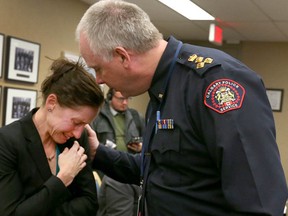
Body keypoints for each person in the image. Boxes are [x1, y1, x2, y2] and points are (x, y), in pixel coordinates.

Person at [75, 0, 288, 215]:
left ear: (123, 56)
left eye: (98, 69)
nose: (99, 80)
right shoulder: (161, 89)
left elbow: (260, 202)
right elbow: (160, 170)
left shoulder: (213, 82)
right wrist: (98, 153)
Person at [0, 57, 104, 216]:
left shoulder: (76, 139)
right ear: (51, 103)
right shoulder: (8, 141)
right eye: (76, 122)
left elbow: (90, 203)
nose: (78, 132)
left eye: (84, 125)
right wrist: (62, 179)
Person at [91, 87, 145, 216]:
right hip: (105, 173)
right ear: (110, 97)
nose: (125, 102)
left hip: (130, 171)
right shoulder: (97, 116)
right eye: (121, 99)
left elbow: (147, 142)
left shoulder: (137, 117)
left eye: (127, 99)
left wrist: (141, 147)